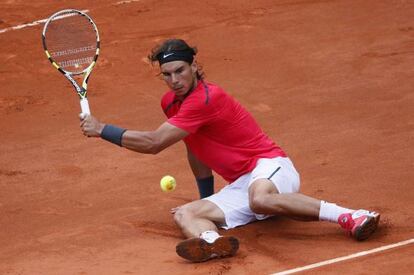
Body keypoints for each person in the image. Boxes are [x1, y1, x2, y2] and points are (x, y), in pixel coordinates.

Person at [80, 38, 380, 263]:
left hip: (269, 166)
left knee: (260, 198)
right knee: (186, 213)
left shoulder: (208, 99)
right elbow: (194, 148)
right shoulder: (170, 103)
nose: (174, 80)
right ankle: (211, 242)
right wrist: (206, 196)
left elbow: (154, 143)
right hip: (241, 184)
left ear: (195, 67)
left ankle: (350, 215)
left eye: (180, 71)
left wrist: (102, 129)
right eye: (167, 74)